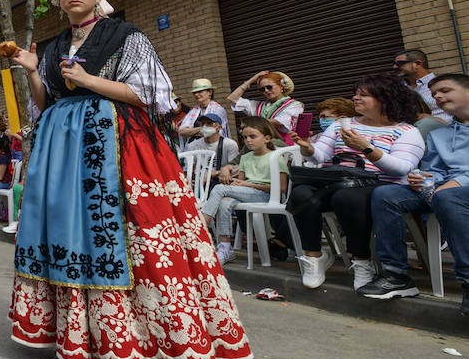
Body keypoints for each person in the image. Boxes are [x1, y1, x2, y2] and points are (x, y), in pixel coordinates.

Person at [6, 0, 251, 359]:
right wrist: (31, 70)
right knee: (72, 239)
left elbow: (153, 94)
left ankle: (150, 354)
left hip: (120, 145)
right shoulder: (55, 46)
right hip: (64, 152)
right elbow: (45, 103)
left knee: (132, 238)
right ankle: (82, 344)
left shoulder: (126, 36)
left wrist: (87, 80)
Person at [286, 73, 425, 290]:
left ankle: (362, 262)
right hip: (337, 182)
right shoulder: (343, 124)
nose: (355, 99)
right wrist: (308, 147)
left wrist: (366, 148)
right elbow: (321, 156)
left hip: (380, 185)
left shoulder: (407, 131)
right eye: (356, 94)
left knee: (347, 197)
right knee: (301, 193)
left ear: (385, 100)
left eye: (363, 95)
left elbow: (401, 168)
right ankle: (314, 256)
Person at [359, 73, 469, 314]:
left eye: (445, 90)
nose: (438, 97)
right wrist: (423, 178)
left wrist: (457, 183)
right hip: (442, 191)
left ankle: (467, 281)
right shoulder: (440, 135)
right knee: (386, 194)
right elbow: (433, 169)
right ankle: (396, 274)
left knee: (447, 196)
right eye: (435, 93)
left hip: (455, 192)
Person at [197, 117, 286, 263]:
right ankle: (225, 247)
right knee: (224, 202)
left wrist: (249, 186)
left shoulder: (275, 157)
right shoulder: (245, 158)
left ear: (267, 138)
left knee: (219, 189)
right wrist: (238, 184)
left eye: (253, 136)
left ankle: (201, 225)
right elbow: (242, 182)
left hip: (266, 195)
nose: (248, 140)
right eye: (245, 138)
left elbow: (281, 188)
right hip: (248, 193)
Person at [226, 69, 303, 137]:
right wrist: (251, 80)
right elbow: (232, 98)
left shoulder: (295, 105)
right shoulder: (258, 106)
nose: (266, 90)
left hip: (283, 146)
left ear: (281, 86)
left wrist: (250, 124)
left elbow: (279, 122)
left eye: (269, 87)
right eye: (262, 89)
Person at [395, 48, 450, 122]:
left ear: (417, 63)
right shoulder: (398, 87)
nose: (395, 67)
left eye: (399, 63)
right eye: (394, 64)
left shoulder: (442, 84)